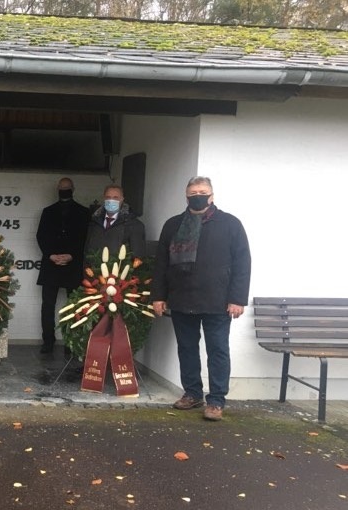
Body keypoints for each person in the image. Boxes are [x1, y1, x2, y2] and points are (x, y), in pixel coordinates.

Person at [151, 176, 251, 422]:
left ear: (212, 195)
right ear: (186, 197)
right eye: (193, 192)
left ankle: (216, 400)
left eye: (202, 191)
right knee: (186, 349)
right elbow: (161, 263)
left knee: (217, 350)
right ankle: (192, 393)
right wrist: (158, 296)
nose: (198, 195)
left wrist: (237, 299)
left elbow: (242, 263)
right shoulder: (173, 225)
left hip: (218, 301)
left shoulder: (230, 224)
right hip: (182, 299)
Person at [36, 178, 89, 355]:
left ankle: (71, 341)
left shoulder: (83, 212)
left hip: (72, 265)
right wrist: (51, 255)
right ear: (57, 189)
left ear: (73, 189)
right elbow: (41, 236)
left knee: (74, 305)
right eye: (62, 188)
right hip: (51, 264)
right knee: (48, 305)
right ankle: (48, 341)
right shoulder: (48, 211)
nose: (64, 190)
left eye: (67, 188)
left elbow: (85, 238)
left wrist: (71, 255)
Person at [84, 184, 146, 260]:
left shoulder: (134, 225)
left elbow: (137, 255)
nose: (111, 200)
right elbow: (87, 250)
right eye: (108, 197)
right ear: (104, 199)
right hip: (95, 270)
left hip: (120, 270)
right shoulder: (94, 223)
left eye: (115, 198)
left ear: (122, 199)